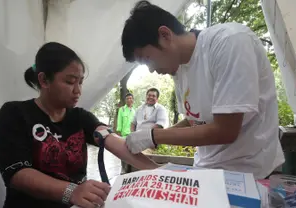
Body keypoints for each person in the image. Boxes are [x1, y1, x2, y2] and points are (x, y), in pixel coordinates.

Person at [120, 0, 285, 179]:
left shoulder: (229, 42)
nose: (151, 69)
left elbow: (225, 131)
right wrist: (149, 136)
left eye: (147, 59)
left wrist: (155, 136)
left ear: (165, 35)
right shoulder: (179, 69)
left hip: (250, 173)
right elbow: (194, 121)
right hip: (206, 171)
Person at [0, 42, 158, 208]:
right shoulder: (14, 114)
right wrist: (72, 191)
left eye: (80, 82)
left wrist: (158, 172)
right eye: (70, 82)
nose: (78, 90)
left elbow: (110, 139)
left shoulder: (79, 117)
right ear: (44, 80)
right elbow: (18, 175)